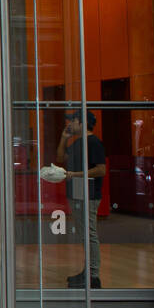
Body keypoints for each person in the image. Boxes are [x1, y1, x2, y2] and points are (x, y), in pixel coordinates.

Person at [54, 109, 106, 289]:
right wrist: (63, 138)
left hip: (89, 193)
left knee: (89, 233)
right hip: (77, 192)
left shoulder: (94, 143)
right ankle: (88, 271)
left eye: (73, 121)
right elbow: (61, 157)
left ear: (82, 123)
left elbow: (101, 169)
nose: (70, 124)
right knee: (84, 233)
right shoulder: (78, 143)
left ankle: (93, 275)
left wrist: (75, 174)